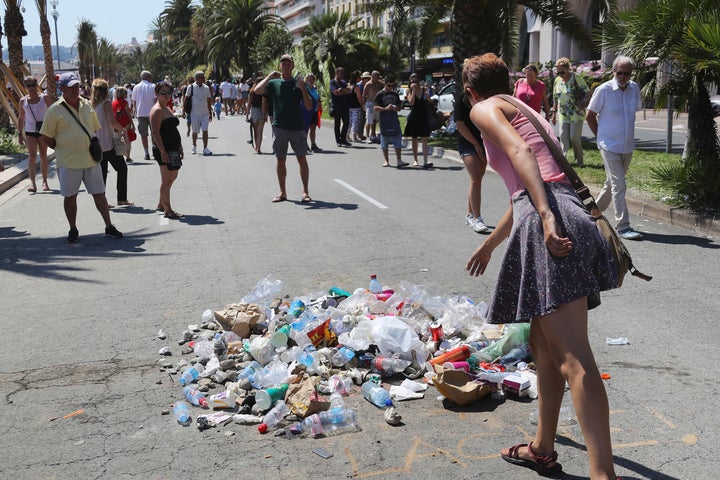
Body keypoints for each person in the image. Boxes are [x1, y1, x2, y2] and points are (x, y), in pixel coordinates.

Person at [463, 53, 619, 480]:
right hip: (566, 212)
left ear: (471, 91)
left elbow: (520, 156)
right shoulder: (527, 109)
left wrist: (548, 219)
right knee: (543, 348)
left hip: (552, 220)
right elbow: (526, 188)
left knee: (574, 360)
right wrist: (492, 245)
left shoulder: (483, 108)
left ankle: (603, 474)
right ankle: (542, 447)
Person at [40, 72, 123, 243]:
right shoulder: (54, 110)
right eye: (70, 87)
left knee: (99, 194)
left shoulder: (87, 105)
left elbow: (94, 129)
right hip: (69, 162)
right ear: (61, 88)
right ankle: (73, 228)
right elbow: (46, 137)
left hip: (91, 160)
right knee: (70, 196)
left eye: (76, 86)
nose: (75, 90)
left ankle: (108, 225)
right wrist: (63, 148)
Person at [586, 56, 643, 241]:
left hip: (626, 145)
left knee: (611, 184)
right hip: (608, 145)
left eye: (627, 73)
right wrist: (600, 136)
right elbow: (590, 115)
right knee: (619, 185)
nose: (623, 77)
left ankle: (591, 214)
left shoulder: (634, 88)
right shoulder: (604, 90)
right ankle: (623, 226)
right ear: (614, 71)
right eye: (620, 73)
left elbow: (633, 114)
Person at [252, 54, 313, 203]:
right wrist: (269, 76)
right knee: (280, 160)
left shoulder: (298, 83)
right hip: (279, 127)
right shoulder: (274, 83)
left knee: (301, 158)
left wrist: (303, 88)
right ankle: (282, 192)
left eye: (288, 63)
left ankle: (305, 192)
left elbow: (309, 106)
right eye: (283, 63)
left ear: (292, 66)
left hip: (297, 127)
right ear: (280, 66)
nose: (286, 65)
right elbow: (257, 91)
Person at [90, 79, 133, 208]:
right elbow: (111, 121)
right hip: (108, 143)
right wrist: (123, 129)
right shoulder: (106, 103)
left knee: (102, 174)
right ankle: (122, 199)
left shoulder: (91, 104)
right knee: (122, 169)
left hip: (97, 144)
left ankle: (103, 202)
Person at [454, 90, 489, 233]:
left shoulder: (485, 97)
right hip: (467, 142)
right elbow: (460, 125)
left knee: (478, 178)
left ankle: (469, 214)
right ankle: (477, 218)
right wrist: (475, 144)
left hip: (484, 142)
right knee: (475, 177)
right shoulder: (461, 99)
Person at [150, 81, 184, 219]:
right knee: (166, 179)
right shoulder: (157, 110)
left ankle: (160, 203)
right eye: (162, 93)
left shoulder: (166, 107)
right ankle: (168, 210)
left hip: (173, 148)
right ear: (157, 94)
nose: (166, 95)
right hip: (164, 149)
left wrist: (179, 146)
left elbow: (173, 129)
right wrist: (163, 151)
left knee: (172, 176)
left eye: (168, 93)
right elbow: (155, 133)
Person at [551, 58, 590, 167]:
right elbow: (555, 97)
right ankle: (564, 161)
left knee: (574, 137)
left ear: (568, 69)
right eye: (558, 72)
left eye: (562, 72)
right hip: (563, 113)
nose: (560, 74)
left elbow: (587, 92)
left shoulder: (576, 78)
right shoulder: (557, 80)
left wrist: (583, 103)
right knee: (563, 136)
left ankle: (579, 160)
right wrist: (554, 113)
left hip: (576, 113)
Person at [18, 76, 53, 192]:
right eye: (28, 85)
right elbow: (20, 118)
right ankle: (32, 183)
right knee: (32, 156)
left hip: (43, 130)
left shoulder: (45, 98)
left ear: (37, 84)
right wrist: (19, 134)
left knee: (43, 155)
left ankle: (44, 181)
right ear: (25, 87)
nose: (31, 87)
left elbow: (54, 113)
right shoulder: (23, 101)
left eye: (33, 84)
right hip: (30, 131)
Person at [374, 74, 408, 169]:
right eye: (389, 85)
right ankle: (386, 160)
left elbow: (400, 107)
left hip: (394, 119)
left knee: (397, 139)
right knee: (384, 141)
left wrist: (397, 108)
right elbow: (375, 107)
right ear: (385, 83)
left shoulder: (395, 94)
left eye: (392, 85)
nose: (390, 87)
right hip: (384, 120)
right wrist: (385, 108)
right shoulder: (380, 94)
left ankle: (399, 160)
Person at [403, 73, 433, 168]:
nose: (414, 82)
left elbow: (429, 101)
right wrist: (413, 91)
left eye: (416, 81)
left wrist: (428, 96)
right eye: (412, 81)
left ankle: (425, 161)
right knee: (414, 138)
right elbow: (411, 102)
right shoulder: (408, 90)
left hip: (423, 116)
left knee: (425, 138)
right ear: (410, 81)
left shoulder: (424, 89)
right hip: (414, 116)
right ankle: (415, 160)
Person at [184, 71, 213, 156]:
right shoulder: (191, 87)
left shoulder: (206, 88)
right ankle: (194, 146)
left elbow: (209, 101)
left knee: (205, 130)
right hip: (194, 113)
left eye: (203, 77)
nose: (203, 79)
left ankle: (205, 148)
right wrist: (183, 110)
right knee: (195, 131)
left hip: (205, 113)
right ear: (197, 78)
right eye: (201, 77)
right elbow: (186, 99)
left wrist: (210, 113)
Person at [131, 70, 156, 160]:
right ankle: (154, 151)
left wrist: (136, 112)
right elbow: (156, 100)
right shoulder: (153, 86)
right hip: (152, 113)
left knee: (143, 135)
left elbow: (134, 101)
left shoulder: (136, 87)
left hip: (140, 113)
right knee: (154, 133)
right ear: (148, 77)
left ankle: (146, 153)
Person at [112, 86, 136, 163]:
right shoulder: (125, 103)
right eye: (125, 93)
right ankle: (128, 156)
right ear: (122, 94)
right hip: (125, 124)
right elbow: (128, 114)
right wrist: (132, 124)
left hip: (116, 124)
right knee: (127, 140)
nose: (127, 94)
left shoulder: (113, 103)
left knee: (117, 140)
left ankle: (119, 155)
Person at [330, 67, 352, 147]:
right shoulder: (332, 82)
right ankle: (338, 140)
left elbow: (349, 90)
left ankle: (343, 139)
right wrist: (343, 91)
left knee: (346, 123)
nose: (343, 74)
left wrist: (341, 90)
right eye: (341, 73)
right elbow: (335, 92)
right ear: (337, 73)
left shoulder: (343, 82)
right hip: (336, 106)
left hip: (345, 105)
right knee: (337, 124)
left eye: (343, 73)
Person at [247, 76, 268, 154]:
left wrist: (247, 114)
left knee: (255, 130)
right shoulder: (264, 91)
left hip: (254, 110)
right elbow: (264, 103)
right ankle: (259, 147)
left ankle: (256, 146)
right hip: (262, 111)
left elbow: (249, 103)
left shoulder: (252, 91)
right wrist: (265, 113)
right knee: (260, 131)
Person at [304, 73, 322, 153]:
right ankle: (304, 145)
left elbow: (318, 98)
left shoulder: (315, 88)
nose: (311, 81)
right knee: (306, 129)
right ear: (306, 80)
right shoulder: (305, 89)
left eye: (312, 79)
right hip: (307, 112)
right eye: (309, 79)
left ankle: (313, 145)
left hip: (314, 111)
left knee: (313, 128)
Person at [362, 71, 382, 142]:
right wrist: (364, 105)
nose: (376, 78)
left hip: (376, 104)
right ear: (372, 76)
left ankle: (373, 135)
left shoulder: (378, 83)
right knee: (369, 120)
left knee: (374, 120)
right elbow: (364, 95)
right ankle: (367, 136)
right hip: (370, 103)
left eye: (377, 76)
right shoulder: (368, 84)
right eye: (375, 76)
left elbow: (384, 84)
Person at [348, 70, 364, 142]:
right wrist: (362, 104)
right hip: (355, 107)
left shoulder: (348, 85)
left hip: (348, 107)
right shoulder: (356, 87)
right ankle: (354, 136)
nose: (360, 78)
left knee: (349, 122)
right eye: (359, 77)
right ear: (356, 78)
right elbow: (359, 98)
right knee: (355, 121)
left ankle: (347, 136)